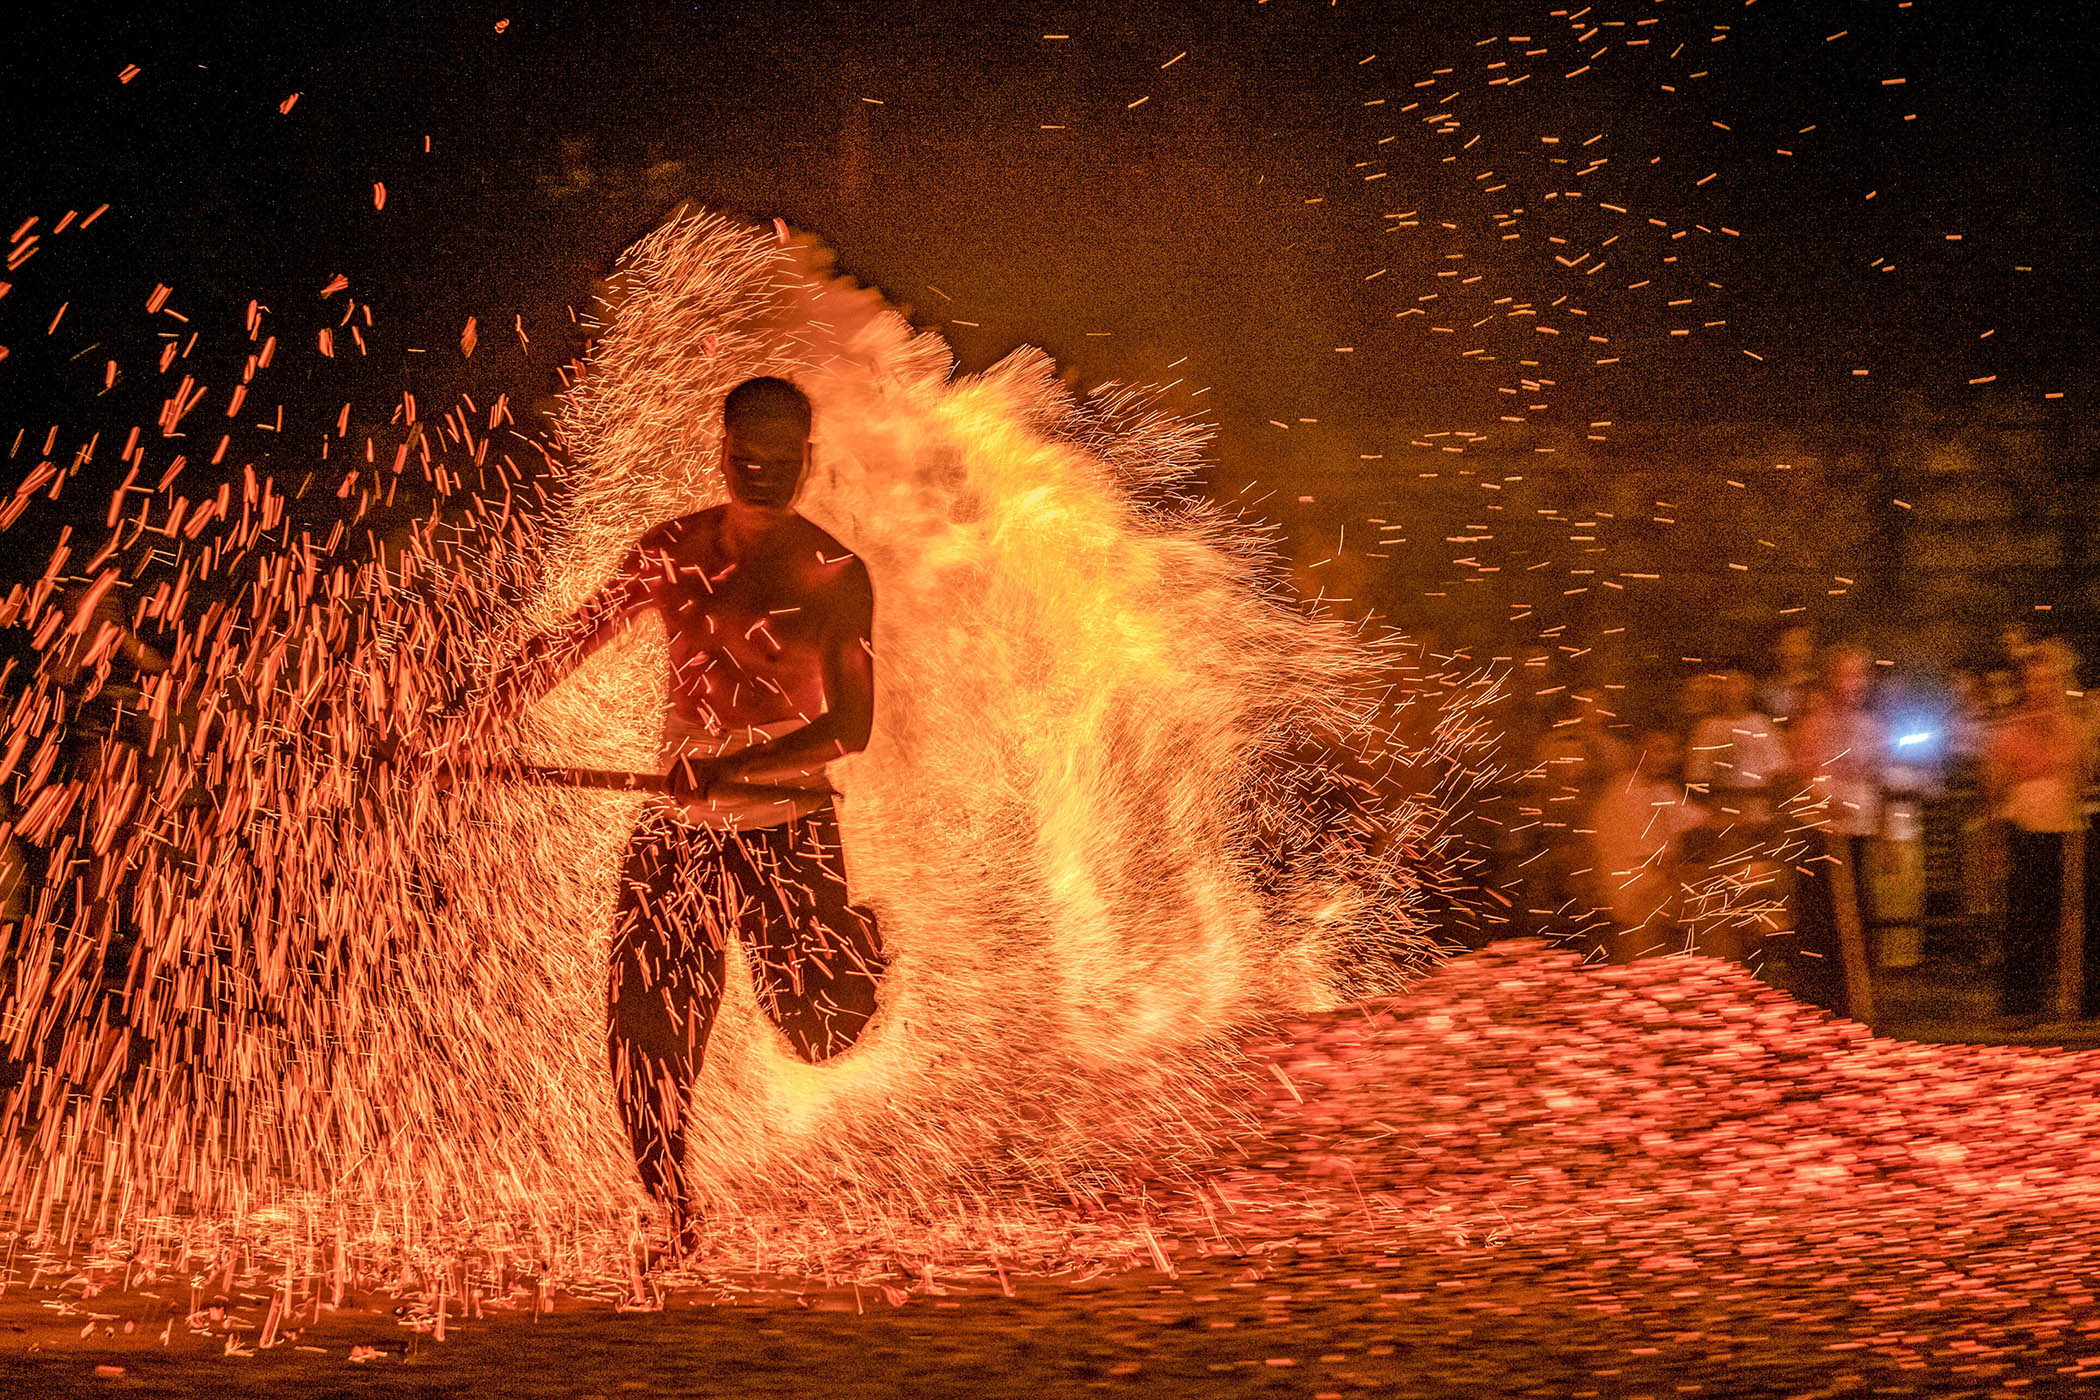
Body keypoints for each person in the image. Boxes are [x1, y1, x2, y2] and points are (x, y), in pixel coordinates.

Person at [445, 377, 887, 1244]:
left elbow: (854, 727)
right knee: (642, 1026)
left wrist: (744, 767)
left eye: (779, 459)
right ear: (720, 452)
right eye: (744, 456)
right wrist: (464, 723)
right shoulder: (672, 551)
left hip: (789, 830)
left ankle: (861, 948)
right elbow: (565, 643)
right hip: (677, 833)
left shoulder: (837, 575)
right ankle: (672, 1203)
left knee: (821, 1034)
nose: (760, 473)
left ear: (809, 459)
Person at [1984, 638, 2091, 1021]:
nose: (2040, 689)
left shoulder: (2074, 729)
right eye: (2034, 681)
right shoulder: (2011, 731)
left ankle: (2068, 995)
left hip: (2063, 828)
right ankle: (2021, 1000)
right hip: (2026, 827)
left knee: (2065, 915)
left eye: (2048, 681)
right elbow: (1996, 789)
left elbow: (2081, 778)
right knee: (2024, 916)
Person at [1781, 645, 1885, 1013]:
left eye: (1859, 676)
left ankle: (1852, 994)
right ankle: (1814, 995)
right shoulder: (1816, 721)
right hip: (1822, 830)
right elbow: (1806, 769)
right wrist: (1826, 797)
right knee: (1819, 917)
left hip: (1857, 831)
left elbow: (1875, 774)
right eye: (1846, 675)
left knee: (1857, 913)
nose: (1853, 683)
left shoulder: (1870, 726)